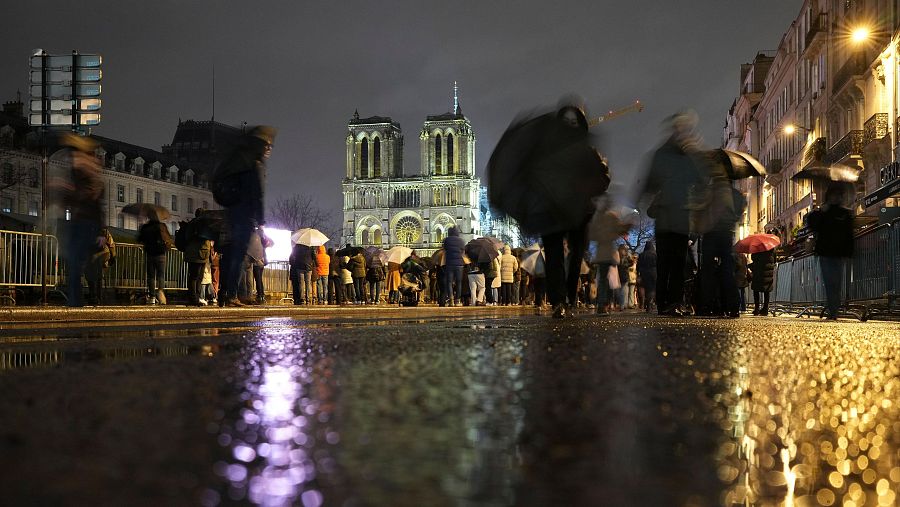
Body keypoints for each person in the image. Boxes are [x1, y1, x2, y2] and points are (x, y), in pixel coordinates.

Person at [541, 103, 610, 318]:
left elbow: (603, 178)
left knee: (566, 254)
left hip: (571, 209)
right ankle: (562, 299)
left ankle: (563, 299)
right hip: (561, 209)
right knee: (562, 254)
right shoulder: (586, 151)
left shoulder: (551, 151)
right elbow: (604, 178)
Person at [640, 111, 703, 316]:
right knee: (669, 263)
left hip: (674, 215)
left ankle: (669, 302)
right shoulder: (672, 154)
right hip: (673, 214)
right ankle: (668, 302)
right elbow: (701, 181)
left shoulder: (669, 153)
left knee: (673, 263)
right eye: (682, 127)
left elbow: (701, 181)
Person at [215, 125, 275, 307]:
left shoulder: (240, 163)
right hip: (245, 215)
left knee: (234, 255)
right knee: (239, 256)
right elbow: (257, 195)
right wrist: (261, 220)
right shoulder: (255, 165)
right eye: (267, 146)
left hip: (234, 212)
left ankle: (226, 293)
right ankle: (232, 294)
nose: (269, 150)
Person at [49, 134, 105, 307]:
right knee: (74, 262)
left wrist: (67, 191)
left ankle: (76, 301)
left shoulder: (90, 177)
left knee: (75, 262)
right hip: (78, 222)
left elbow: (92, 200)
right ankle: (76, 301)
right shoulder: (78, 173)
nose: (74, 159)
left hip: (86, 224)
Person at [807, 185, 854, 320]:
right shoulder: (824, 212)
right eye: (833, 195)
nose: (835, 197)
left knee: (836, 282)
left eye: (837, 195)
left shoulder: (844, 213)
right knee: (829, 282)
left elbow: (849, 234)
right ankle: (833, 310)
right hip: (826, 253)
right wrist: (819, 211)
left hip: (837, 253)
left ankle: (834, 310)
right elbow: (812, 224)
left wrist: (849, 252)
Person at [138, 211, 173, 305]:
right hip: (161, 254)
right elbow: (168, 238)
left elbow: (139, 239)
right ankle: (160, 292)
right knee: (161, 275)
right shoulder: (162, 226)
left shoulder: (146, 227)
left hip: (150, 254)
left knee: (151, 276)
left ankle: (152, 296)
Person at [184, 215, 213, 306]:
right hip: (203, 254)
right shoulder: (206, 225)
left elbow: (187, 237)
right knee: (199, 277)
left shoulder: (192, 224)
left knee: (193, 276)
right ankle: (197, 297)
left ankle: (194, 298)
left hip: (193, 254)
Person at [85, 227, 115, 305]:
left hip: (96, 255)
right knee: (97, 275)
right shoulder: (104, 231)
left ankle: (94, 296)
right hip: (101, 254)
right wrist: (112, 257)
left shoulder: (89, 229)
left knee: (93, 274)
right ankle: (97, 296)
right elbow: (111, 245)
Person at [442, 227, 466, 306]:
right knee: (459, 282)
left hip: (449, 263)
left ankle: (451, 299)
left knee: (449, 282)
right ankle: (458, 300)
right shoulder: (461, 241)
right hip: (459, 264)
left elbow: (444, 249)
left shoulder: (446, 240)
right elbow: (463, 251)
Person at [748, 247, 776, 316]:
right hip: (768, 272)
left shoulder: (757, 249)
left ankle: (757, 308)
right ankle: (765, 308)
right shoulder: (772, 250)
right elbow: (774, 261)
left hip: (758, 272)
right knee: (766, 290)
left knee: (756, 290)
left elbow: (754, 259)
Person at [637, 240, 657, 312]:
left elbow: (638, 265)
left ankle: (644, 303)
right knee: (652, 289)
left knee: (644, 288)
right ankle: (650, 304)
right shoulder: (655, 254)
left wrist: (638, 273)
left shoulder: (642, 254)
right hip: (653, 272)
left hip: (644, 272)